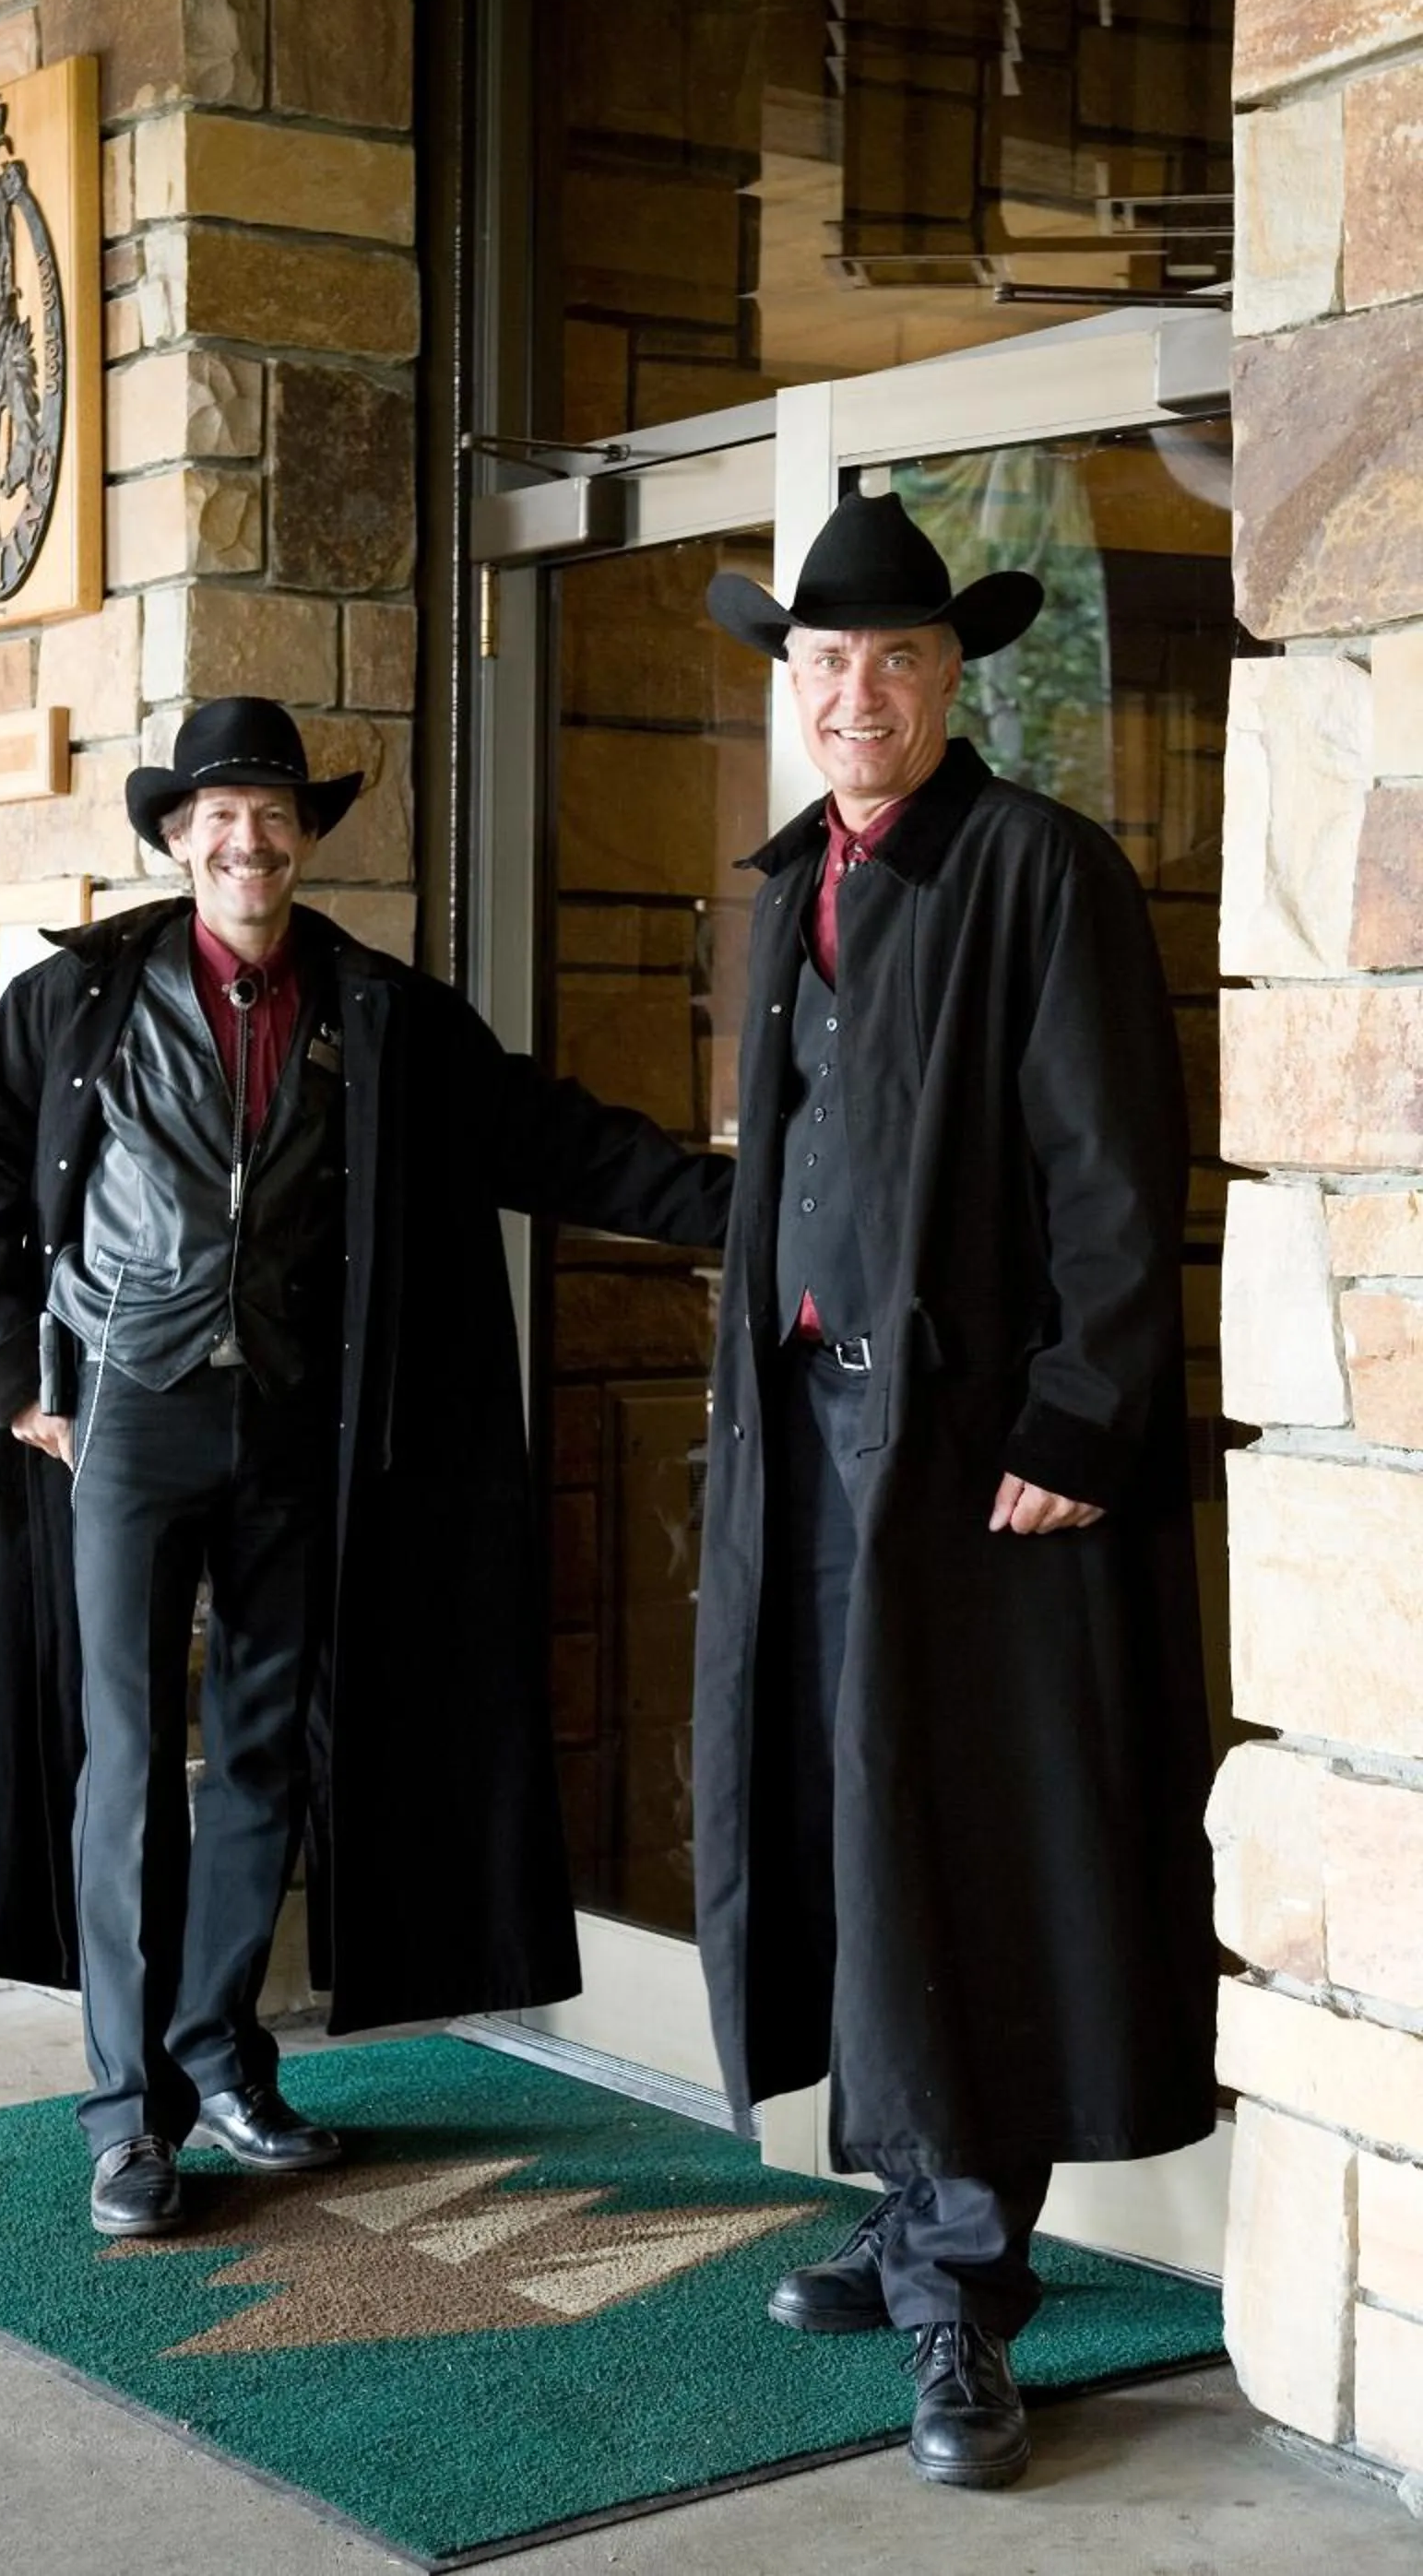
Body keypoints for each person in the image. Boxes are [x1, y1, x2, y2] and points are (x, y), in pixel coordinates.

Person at [0, 695, 732, 2238]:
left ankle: (220, 2048)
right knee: (120, 1762)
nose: (248, 839)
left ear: (304, 839)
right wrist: (5, 1372)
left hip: (300, 1426)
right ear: (175, 837)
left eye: (274, 814)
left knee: (265, 1753)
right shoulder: (78, 1002)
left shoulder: (382, 1011)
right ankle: (125, 2115)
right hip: (123, 1417)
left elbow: (550, 1140)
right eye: (218, 815)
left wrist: (758, 1209)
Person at [691, 493, 1215, 2491]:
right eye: (824, 665)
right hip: (818, 1439)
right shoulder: (796, 885)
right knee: (856, 1820)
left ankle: (963, 2292)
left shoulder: (1035, 868)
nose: (855, 695)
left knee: (971, 1837)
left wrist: (1079, 1419)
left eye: (893, 661)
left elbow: (1109, 1170)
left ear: (950, 679)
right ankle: (916, 2199)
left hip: (978, 1462)